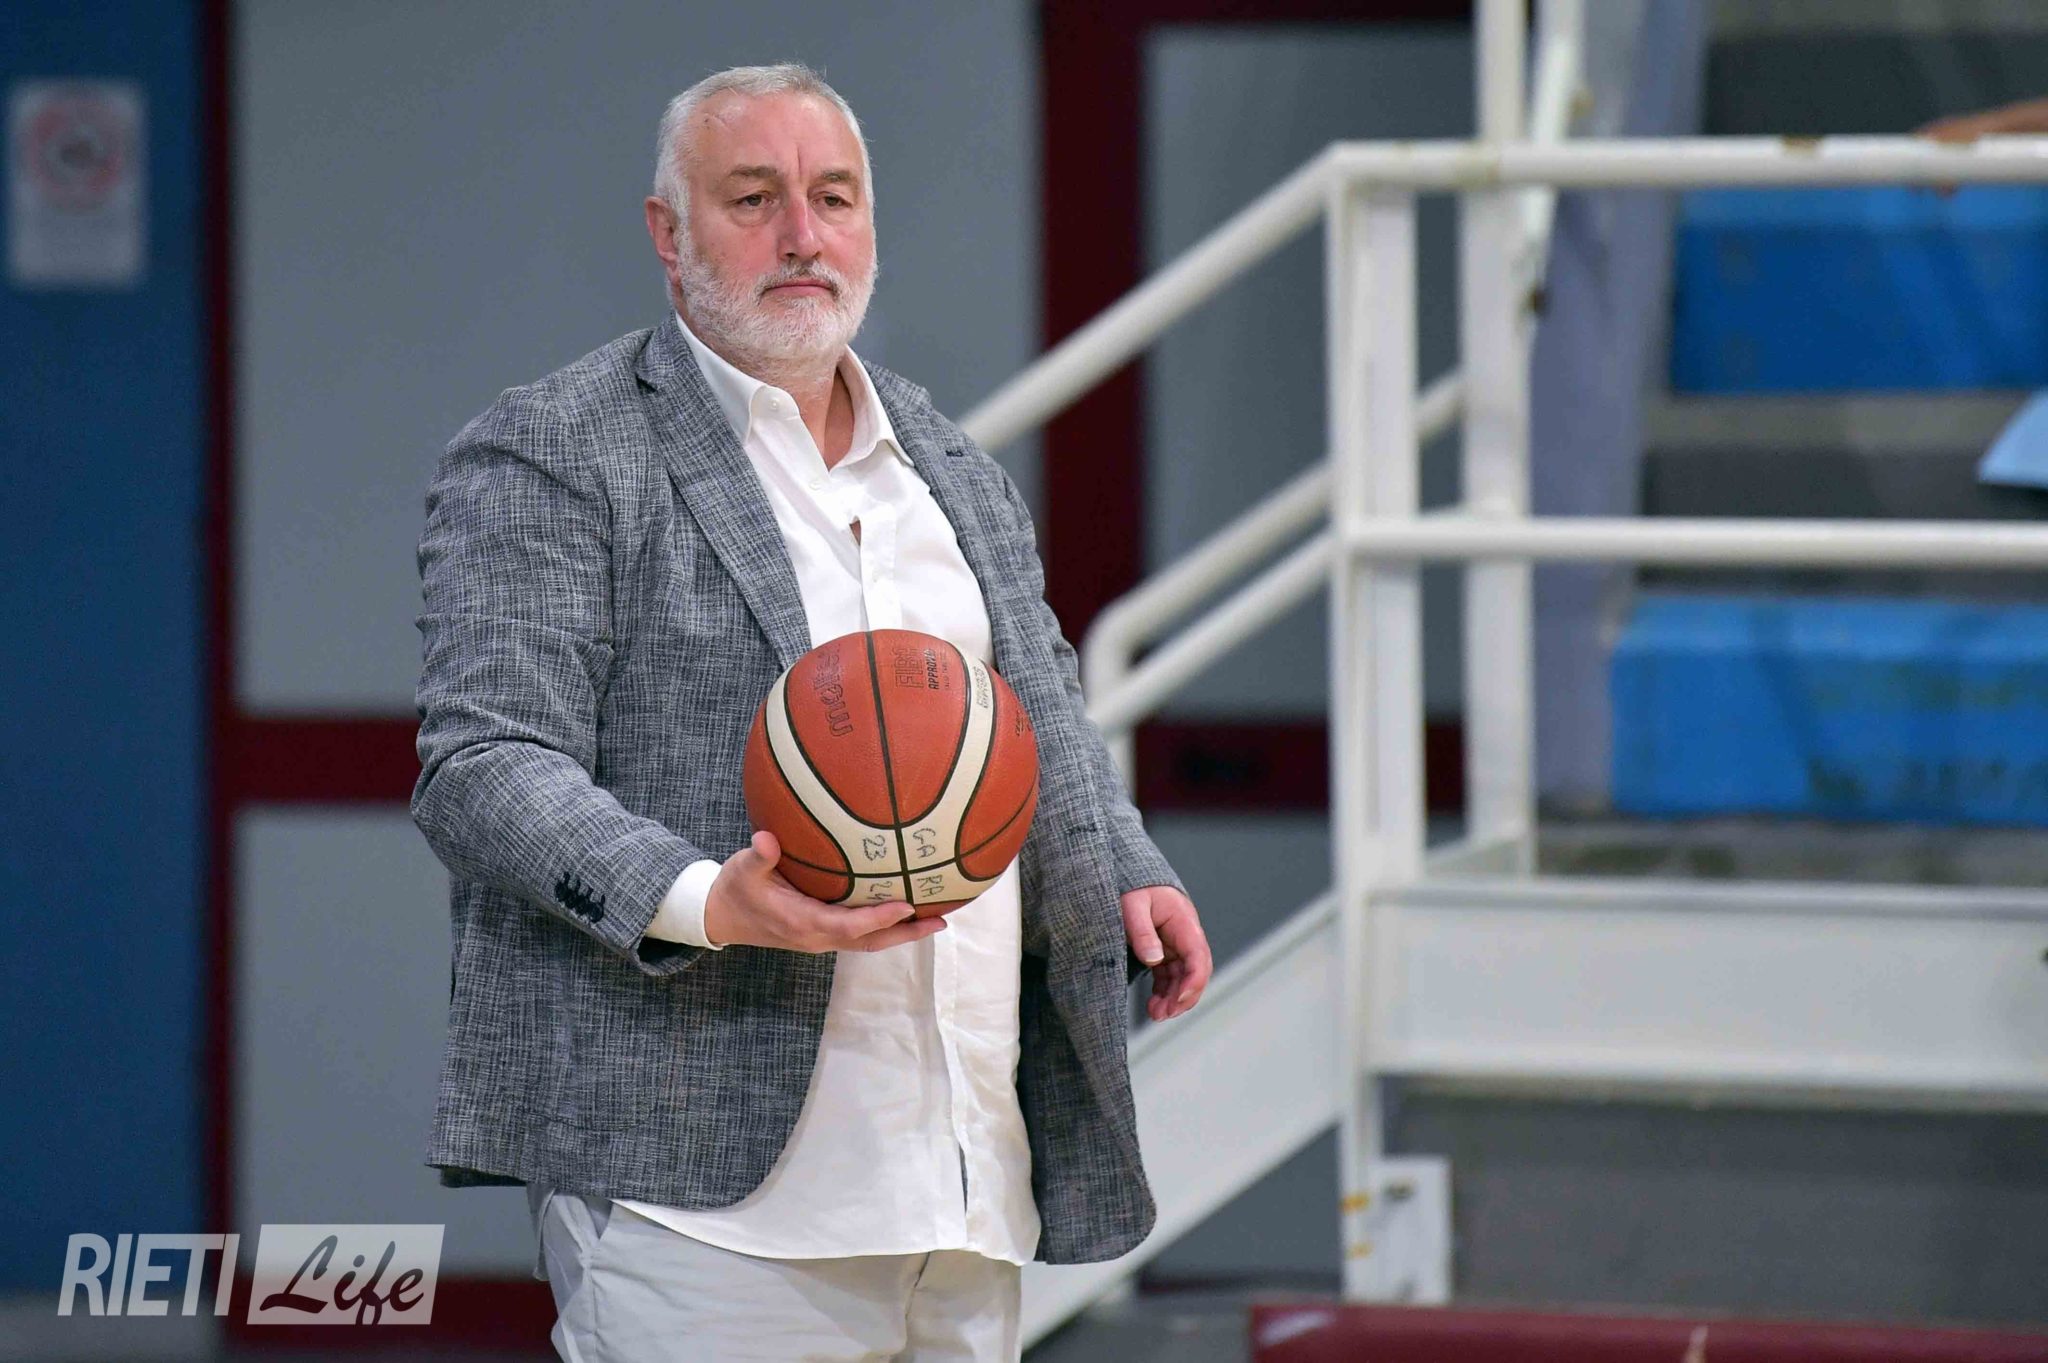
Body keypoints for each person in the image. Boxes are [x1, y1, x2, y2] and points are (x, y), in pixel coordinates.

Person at [409, 62, 1212, 1362]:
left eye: (833, 198)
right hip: (702, 1206)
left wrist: (1123, 861)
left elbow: (1033, 701)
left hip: (965, 1182)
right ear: (668, 232)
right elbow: (483, 761)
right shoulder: (556, 449)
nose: (802, 234)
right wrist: (704, 899)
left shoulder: (946, 462)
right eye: (753, 198)